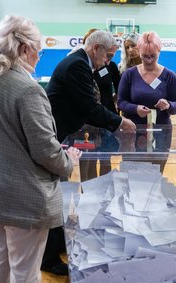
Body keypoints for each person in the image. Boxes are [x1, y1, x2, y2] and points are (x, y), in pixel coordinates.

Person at [0, 15, 81, 283]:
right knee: (25, 271)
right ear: (23, 49)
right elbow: (45, 152)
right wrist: (68, 161)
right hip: (23, 199)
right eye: (38, 50)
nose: (39, 56)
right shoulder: (27, 90)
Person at [44, 30, 135, 275]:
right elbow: (90, 107)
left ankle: (57, 242)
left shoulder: (80, 63)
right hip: (56, 135)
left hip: (62, 133)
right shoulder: (77, 65)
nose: (108, 61)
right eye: (108, 55)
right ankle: (49, 256)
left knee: (59, 192)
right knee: (57, 194)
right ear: (95, 48)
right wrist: (119, 122)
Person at [117, 31, 176, 172]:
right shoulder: (129, 74)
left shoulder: (169, 76)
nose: (148, 60)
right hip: (133, 131)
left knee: (156, 175)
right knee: (131, 174)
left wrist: (169, 105)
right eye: (145, 56)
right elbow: (121, 102)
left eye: (153, 56)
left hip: (161, 132)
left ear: (159, 51)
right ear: (139, 51)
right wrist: (135, 109)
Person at [70, 28, 122, 181]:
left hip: (107, 118)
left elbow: (119, 89)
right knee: (88, 159)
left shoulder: (110, 66)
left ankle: (105, 191)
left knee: (106, 157)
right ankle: (89, 191)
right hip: (88, 121)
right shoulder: (81, 66)